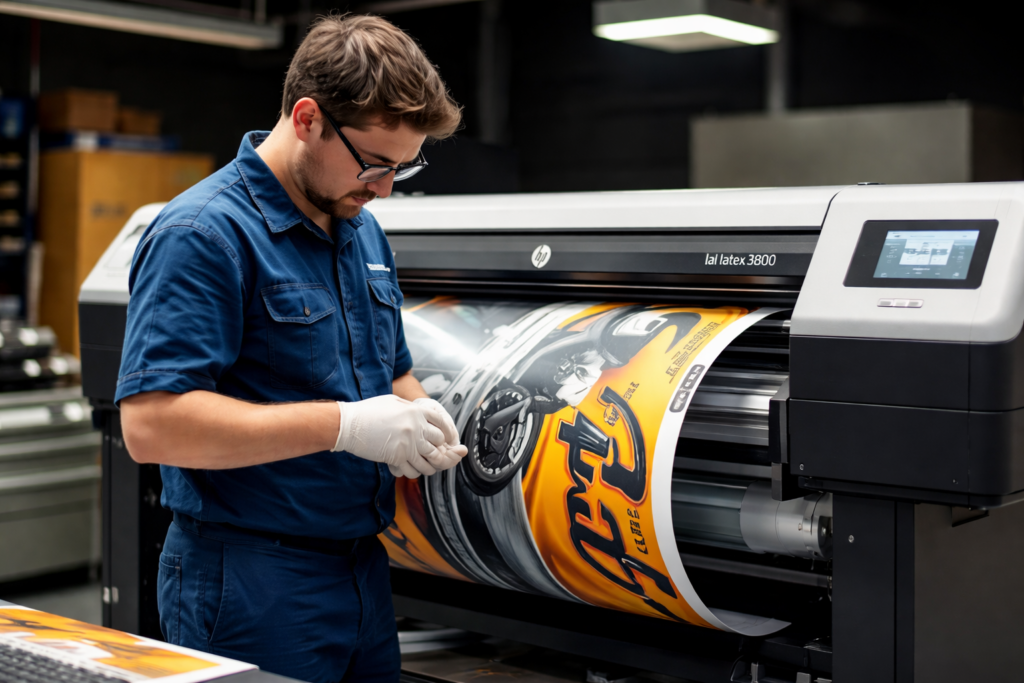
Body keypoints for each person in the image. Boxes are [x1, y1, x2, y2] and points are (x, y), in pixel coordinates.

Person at [116, 14, 466, 683]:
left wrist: (420, 416)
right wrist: (346, 426)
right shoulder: (203, 233)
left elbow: (390, 371)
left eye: (403, 167)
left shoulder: (358, 227)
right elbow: (152, 424)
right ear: (307, 118)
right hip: (250, 580)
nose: (386, 186)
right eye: (374, 162)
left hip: (361, 570)